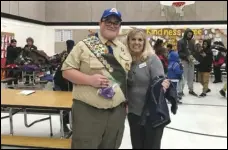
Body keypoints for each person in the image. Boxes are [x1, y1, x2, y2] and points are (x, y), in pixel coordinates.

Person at [61, 8, 132, 149]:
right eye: (108, 21)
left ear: (119, 26)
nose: (112, 25)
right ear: (100, 23)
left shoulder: (123, 48)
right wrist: (89, 80)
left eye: (116, 22)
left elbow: (127, 77)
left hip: (117, 112)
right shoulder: (84, 46)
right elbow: (66, 71)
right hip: (89, 111)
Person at [126, 29, 171, 149]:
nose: (137, 42)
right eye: (133, 39)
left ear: (145, 42)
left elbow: (160, 81)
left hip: (151, 114)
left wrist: (164, 85)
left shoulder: (152, 59)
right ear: (128, 41)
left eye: (140, 40)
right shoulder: (127, 61)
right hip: (134, 113)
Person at [53, 40, 74, 135]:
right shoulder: (66, 55)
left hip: (67, 83)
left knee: (70, 106)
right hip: (61, 83)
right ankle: (64, 125)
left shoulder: (71, 55)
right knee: (64, 106)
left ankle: (69, 125)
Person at [177, 28, 198, 97]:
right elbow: (179, 53)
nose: (190, 36)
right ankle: (180, 91)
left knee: (191, 76)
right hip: (184, 61)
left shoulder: (192, 41)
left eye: (191, 35)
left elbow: (194, 51)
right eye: (188, 35)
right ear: (186, 34)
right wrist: (187, 56)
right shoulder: (180, 42)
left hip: (191, 61)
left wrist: (192, 56)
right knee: (183, 77)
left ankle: (191, 90)